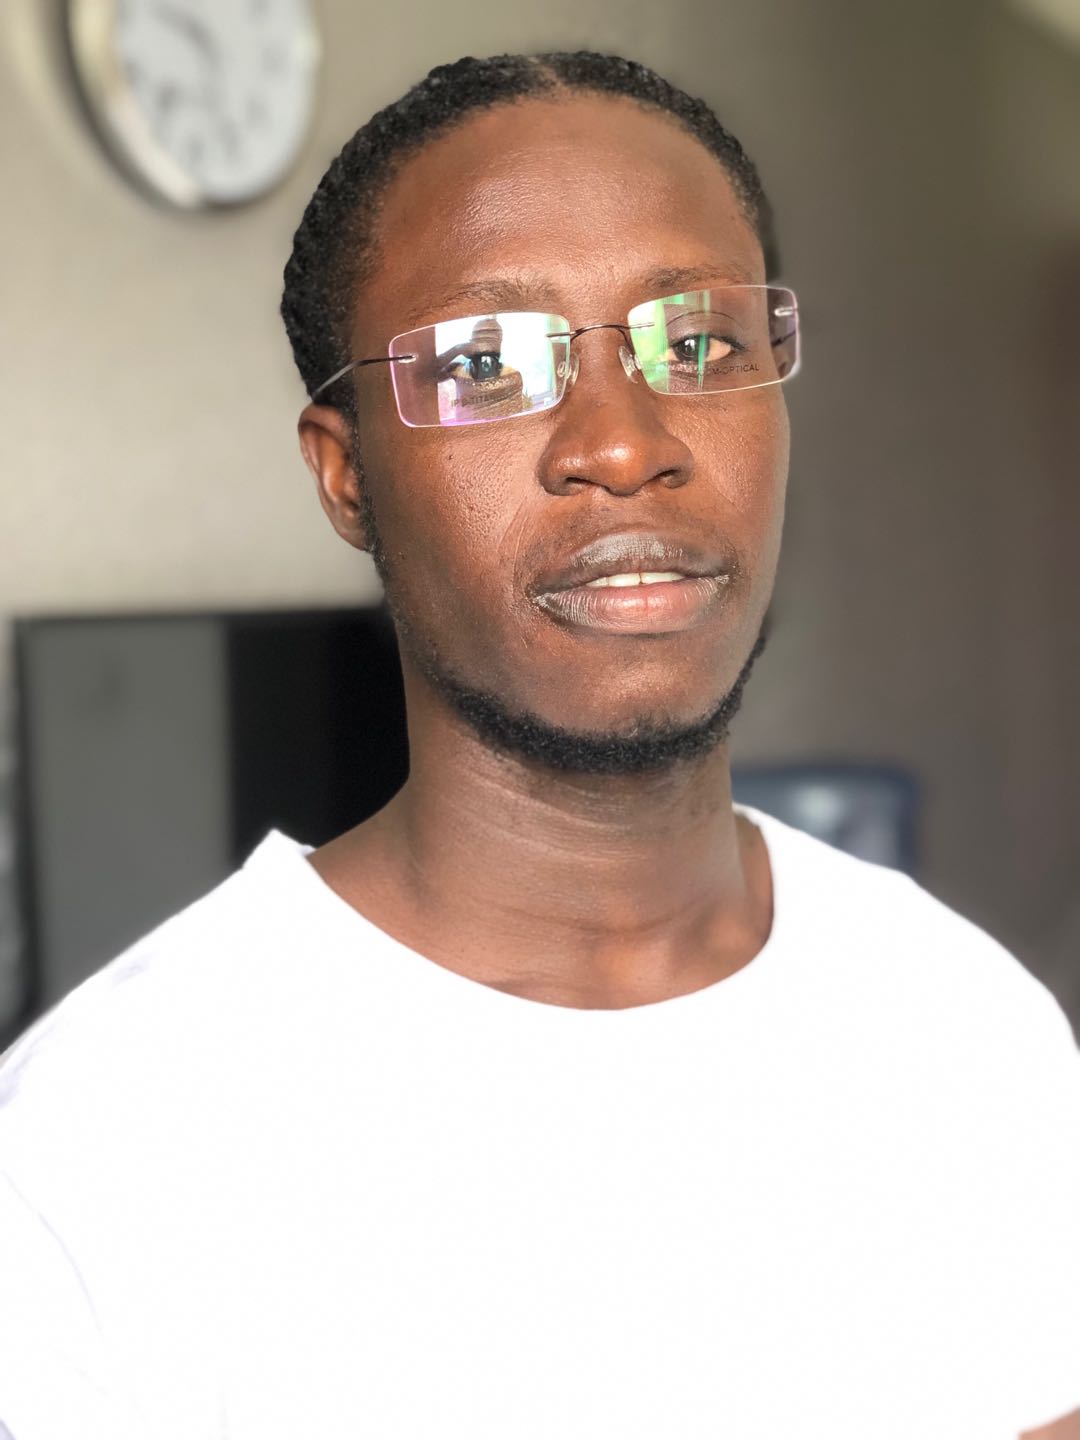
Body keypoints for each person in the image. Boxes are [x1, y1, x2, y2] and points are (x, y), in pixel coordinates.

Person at [0, 50, 1077, 1440]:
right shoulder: (98, 1147)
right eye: (484, 364)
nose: (622, 445)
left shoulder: (962, 1024)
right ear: (345, 473)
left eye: (699, 343)